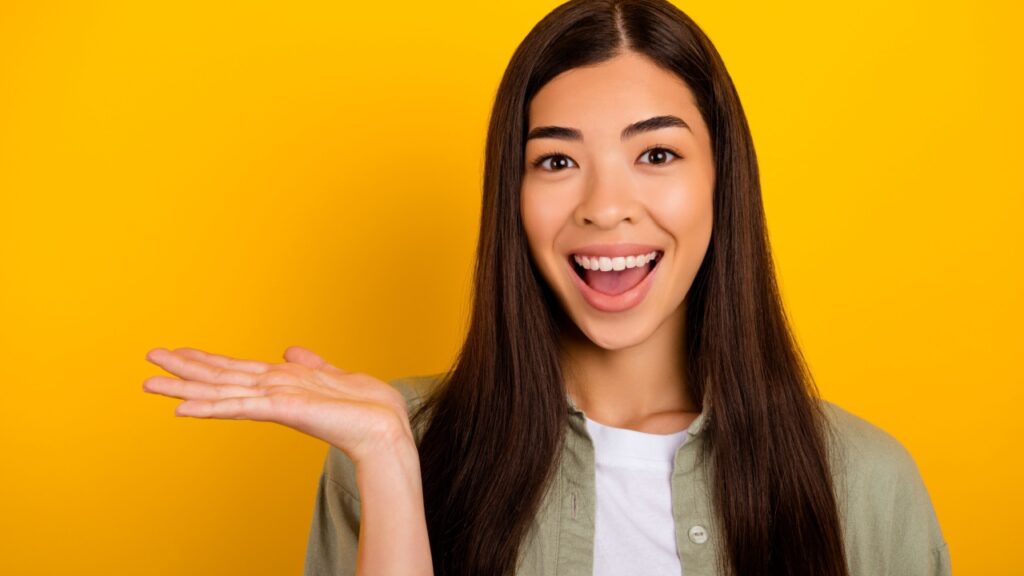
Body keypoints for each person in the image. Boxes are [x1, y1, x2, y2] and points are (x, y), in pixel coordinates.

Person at [143, 0, 951, 575]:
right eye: (557, 161)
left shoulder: (867, 483)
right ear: (513, 196)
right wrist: (391, 462)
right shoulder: (388, 449)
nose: (603, 207)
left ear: (722, 183)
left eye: (657, 155)